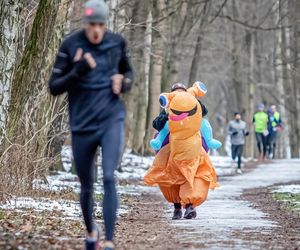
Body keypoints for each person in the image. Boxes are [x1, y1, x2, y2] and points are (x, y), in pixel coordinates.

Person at [48, 0, 133, 249]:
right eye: (91, 24)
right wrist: (79, 69)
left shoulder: (117, 43)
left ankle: (108, 240)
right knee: (87, 184)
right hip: (82, 123)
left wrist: (124, 82)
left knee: (108, 176)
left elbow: (129, 73)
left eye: (100, 24)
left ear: (105, 24)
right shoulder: (71, 45)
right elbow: (54, 87)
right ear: (85, 24)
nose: (96, 30)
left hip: (110, 119)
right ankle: (91, 233)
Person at [145, 82, 217, 221]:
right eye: (176, 92)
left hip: (191, 148)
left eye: (182, 92)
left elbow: (203, 113)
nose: (180, 95)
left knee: (192, 176)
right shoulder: (167, 109)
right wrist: (166, 114)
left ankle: (190, 206)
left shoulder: (194, 104)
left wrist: (193, 100)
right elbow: (157, 125)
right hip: (171, 148)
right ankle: (177, 207)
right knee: (172, 178)